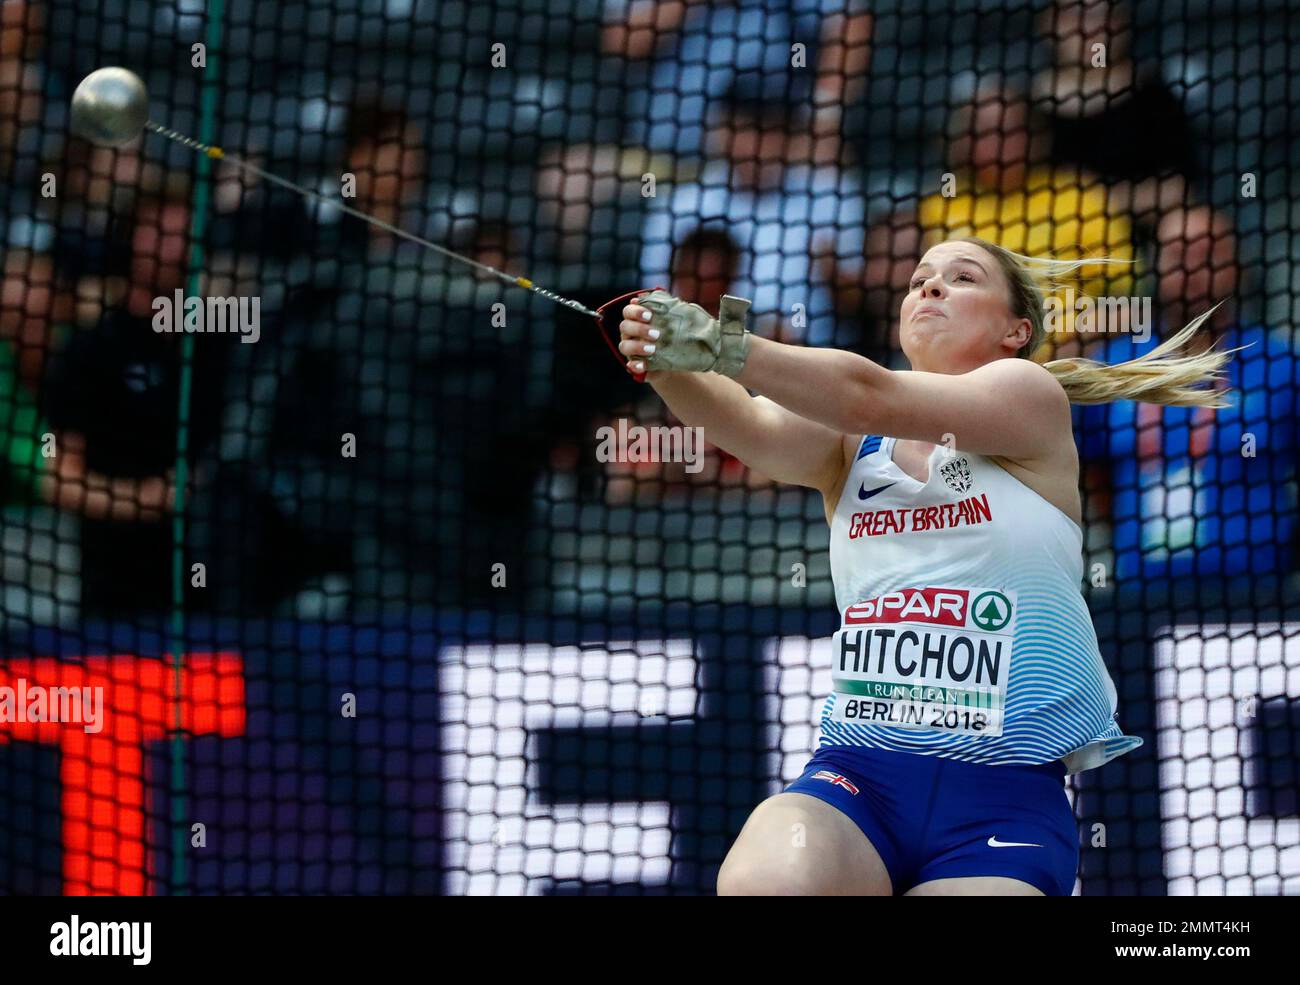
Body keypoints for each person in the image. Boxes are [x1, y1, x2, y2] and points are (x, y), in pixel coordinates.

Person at [617, 235, 1232, 896]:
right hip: (859, 783)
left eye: (961, 278)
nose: (929, 288)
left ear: (1015, 330)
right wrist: (663, 357)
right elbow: (746, 423)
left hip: (1003, 806)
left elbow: (867, 392)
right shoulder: (853, 444)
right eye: (919, 280)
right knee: (765, 881)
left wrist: (726, 343)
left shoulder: (1027, 398)